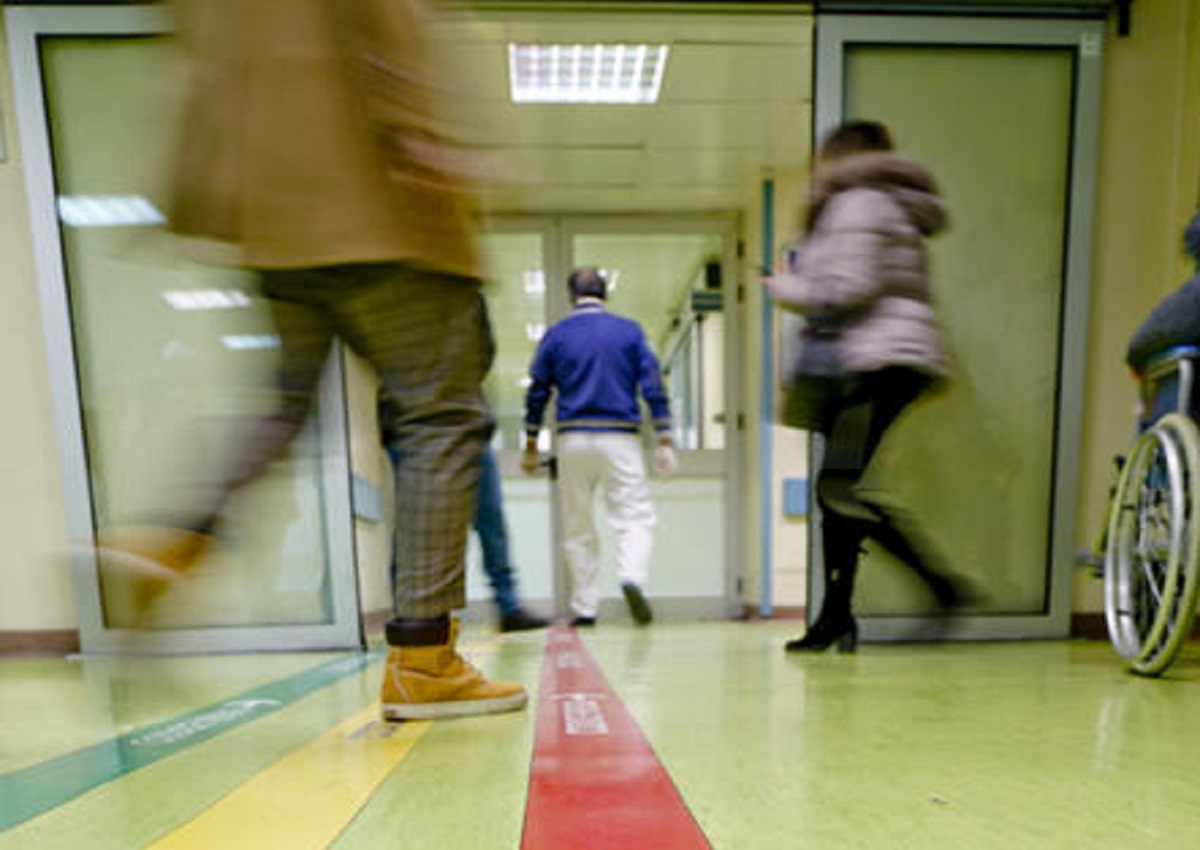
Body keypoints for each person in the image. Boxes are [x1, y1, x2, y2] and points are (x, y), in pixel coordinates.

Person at [97, 0, 526, 720]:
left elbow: (199, 57)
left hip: (273, 211)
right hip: (380, 196)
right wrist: (424, 132)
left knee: (282, 405)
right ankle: (424, 658)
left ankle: (175, 537)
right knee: (442, 417)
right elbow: (386, 20)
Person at [764, 119, 971, 653]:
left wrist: (784, 286)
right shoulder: (883, 203)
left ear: (841, 157)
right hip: (879, 360)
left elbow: (849, 288)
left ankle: (941, 586)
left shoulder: (859, 202)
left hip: (876, 362)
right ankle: (836, 617)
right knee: (837, 492)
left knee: (837, 490)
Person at [521, 268, 677, 627]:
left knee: (577, 525)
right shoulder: (629, 332)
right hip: (620, 438)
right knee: (634, 517)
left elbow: (537, 392)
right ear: (606, 293)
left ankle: (585, 608)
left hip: (572, 440)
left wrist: (530, 443)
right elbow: (652, 384)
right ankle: (631, 577)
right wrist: (664, 436)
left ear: (571, 296)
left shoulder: (556, 335)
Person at [386, 439, 549, 633]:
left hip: (471, 436)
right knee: (415, 522)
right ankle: (406, 609)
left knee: (491, 520)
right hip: (418, 438)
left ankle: (510, 608)